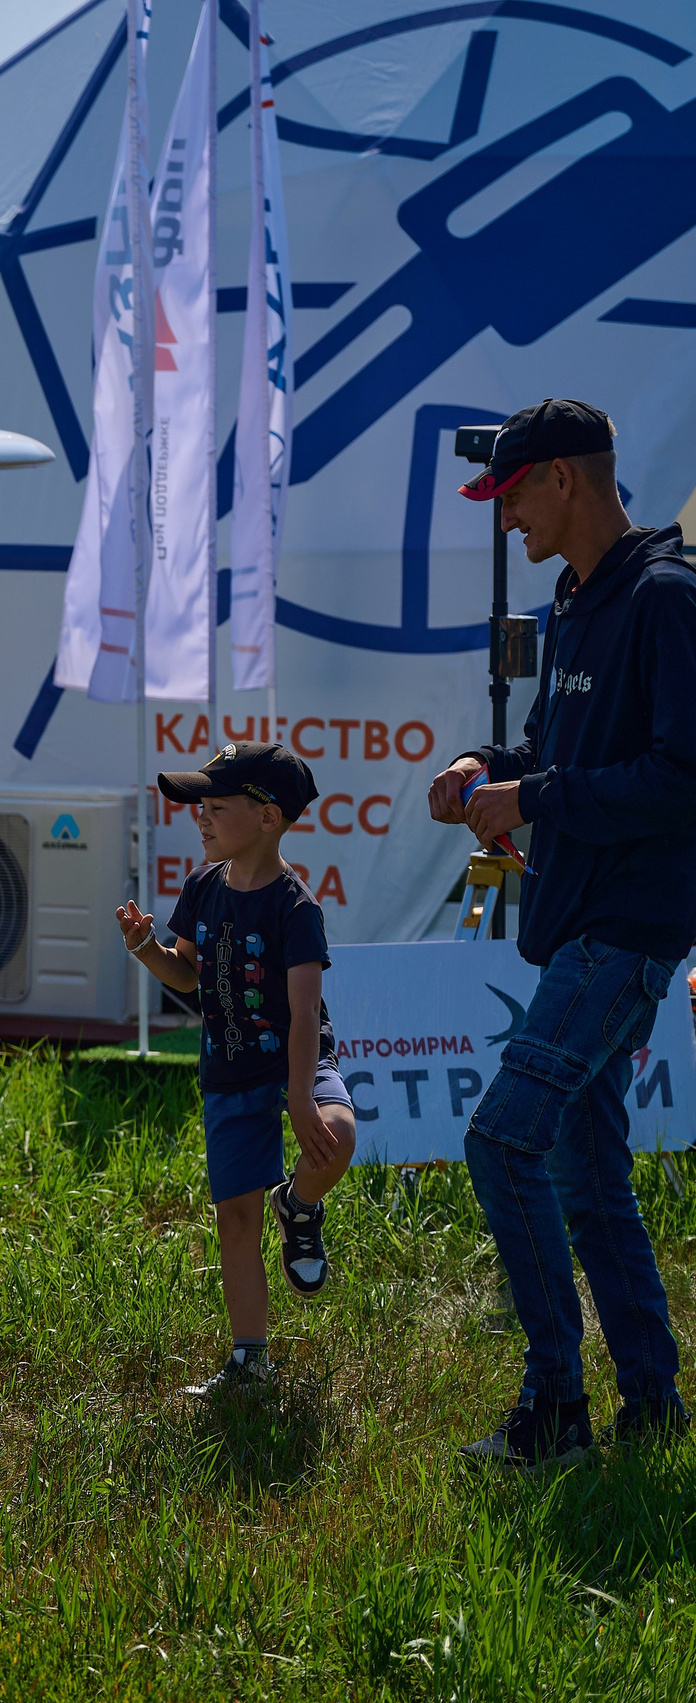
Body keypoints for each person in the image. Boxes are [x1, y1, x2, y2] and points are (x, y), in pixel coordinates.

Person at [429, 398, 691, 1467]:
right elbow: (551, 746)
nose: (503, 522)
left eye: (511, 496)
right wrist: (483, 768)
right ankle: (654, 1407)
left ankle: (555, 1409)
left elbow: (681, 777)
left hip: (625, 929)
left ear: (564, 481)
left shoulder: (669, 598)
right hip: (573, 924)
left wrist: (532, 799)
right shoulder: (576, 598)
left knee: (500, 1139)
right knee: (589, 1179)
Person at [117, 742, 357, 1400]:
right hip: (227, 1070)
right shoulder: (202, 886)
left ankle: (300, 1204)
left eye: (216, 806)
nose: (201, 816)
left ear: (268, 817)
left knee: (336, 1133)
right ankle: (250, 1359)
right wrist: (147, 950)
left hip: (294, 1063)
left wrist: (302, 1096)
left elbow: (306, 1012)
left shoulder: (295, 906)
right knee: (236, 1223)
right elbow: (189, 976)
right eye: (200, 806)